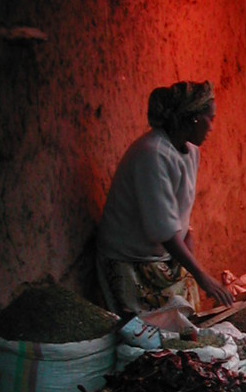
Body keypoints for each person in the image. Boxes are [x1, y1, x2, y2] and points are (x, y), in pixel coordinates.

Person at [97, 80, 233, 316]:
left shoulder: (191, 151)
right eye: (210, 118)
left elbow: (178, 208)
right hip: (132, 260)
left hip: (163, 255)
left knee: (187, 316)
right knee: (154, 332)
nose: (212, 127)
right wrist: (201, 275)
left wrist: (188, 241)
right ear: (193, 118)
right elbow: (162, 227)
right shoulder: (152, 153)